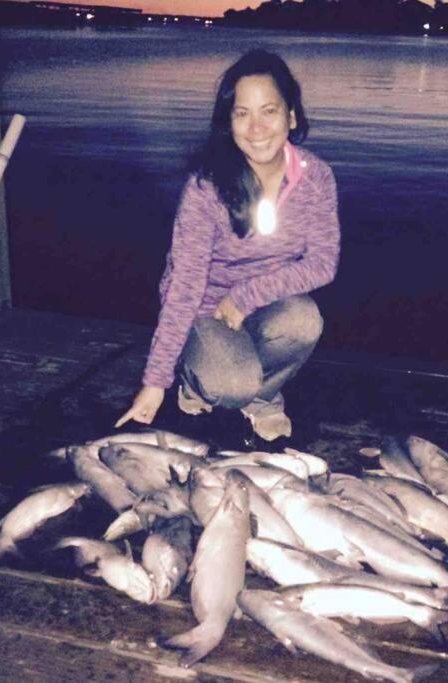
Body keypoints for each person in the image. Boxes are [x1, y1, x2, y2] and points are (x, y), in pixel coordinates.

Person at [115, 49, 341, 441]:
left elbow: (323, 263)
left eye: (268, 111)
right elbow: (185, 285)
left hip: (263, 303)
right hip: (202, 308)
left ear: (291, 116)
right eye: (242, 113)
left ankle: (264, 398)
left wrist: (245, 298)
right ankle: (195, 378)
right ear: (228, 122)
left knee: (305, 321)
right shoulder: (207, 186)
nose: (256, 128)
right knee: (230, 385)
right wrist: (155, 381)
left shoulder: (316, 178)